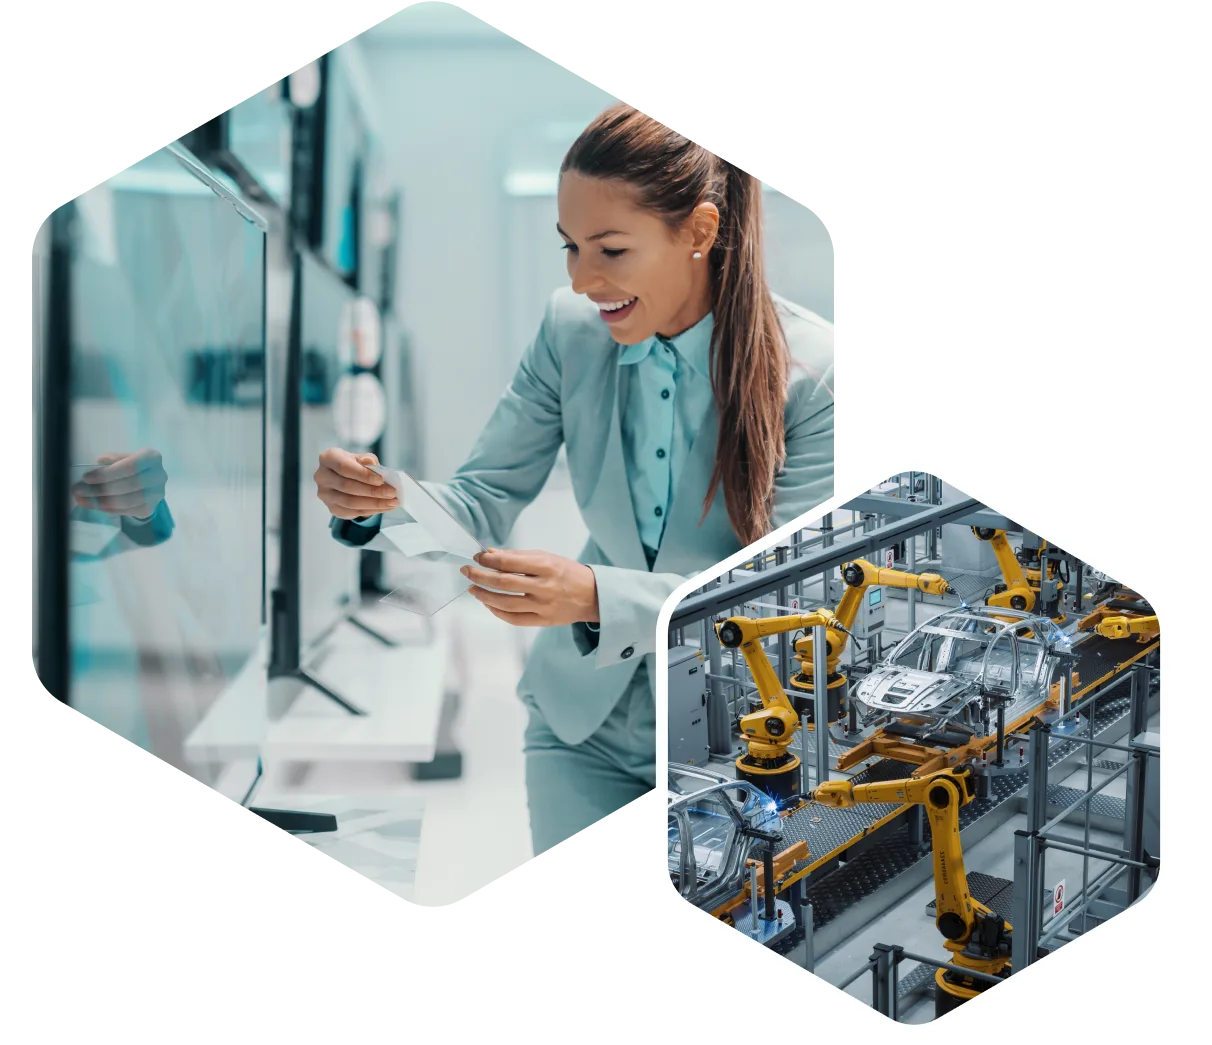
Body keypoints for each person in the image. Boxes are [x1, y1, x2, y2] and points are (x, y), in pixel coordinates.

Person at [314, 103, 840, 859]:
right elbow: (481, 499)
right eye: (569, 247)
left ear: (698, 232)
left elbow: (785, 593)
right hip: (578, 728)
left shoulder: (812, 376)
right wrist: (379, 506)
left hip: (734, 738)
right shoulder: (569, 334)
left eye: (612, 250)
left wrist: (597, 595)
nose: (584, 278)